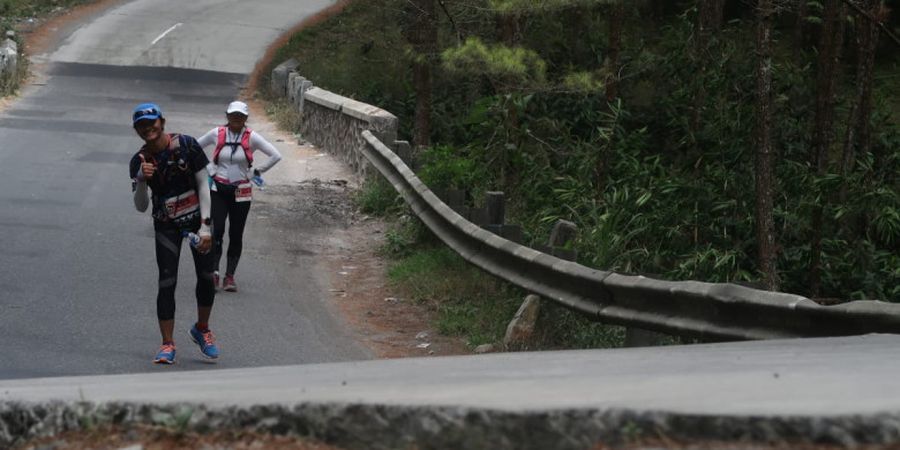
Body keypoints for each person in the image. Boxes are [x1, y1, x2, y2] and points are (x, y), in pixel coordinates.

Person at [129, 103, 220, 364]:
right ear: (136, 130)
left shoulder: (188, 145)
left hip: (197, 221)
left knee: (205, 277)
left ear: (162, 122)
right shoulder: (140, 160)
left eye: (152, 123)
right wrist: (142, 180)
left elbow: (204, 184)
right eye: (142, 126)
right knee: (167, 282)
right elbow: (140, 206)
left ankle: (202, 329)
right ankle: (167, 344)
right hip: (165, 224)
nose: (148, 129)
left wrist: (205, 227)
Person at [197, 100, 282, 292]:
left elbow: (276, 155)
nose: (236, 119)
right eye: (233, 115)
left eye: (240, 116)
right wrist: (208, 168)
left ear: (245, 118)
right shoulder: (217, 133)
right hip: (218, 189)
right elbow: (194, 147)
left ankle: (230, 276)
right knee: (216, 231)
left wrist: (257, 172)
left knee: (236, 234)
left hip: (241, 191)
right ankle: (215, 272)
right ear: (227, 116)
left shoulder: (252, 137)